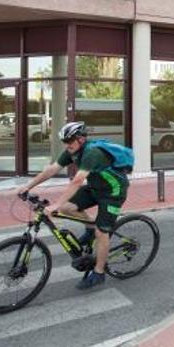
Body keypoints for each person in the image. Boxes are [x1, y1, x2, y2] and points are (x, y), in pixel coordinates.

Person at [16, 121, 129, 290]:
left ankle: (99, 273)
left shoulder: (92, 153)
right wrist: (28, 186)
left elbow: (77, 180)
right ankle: (90, 229)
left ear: (81, 140)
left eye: (69, 141)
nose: (66, 145)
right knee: (67, 208)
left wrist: (55, 204)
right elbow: (52, 169)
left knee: (102, 232)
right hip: (95, 188)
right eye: (64, 142)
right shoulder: (73, 151)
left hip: (113, 192)